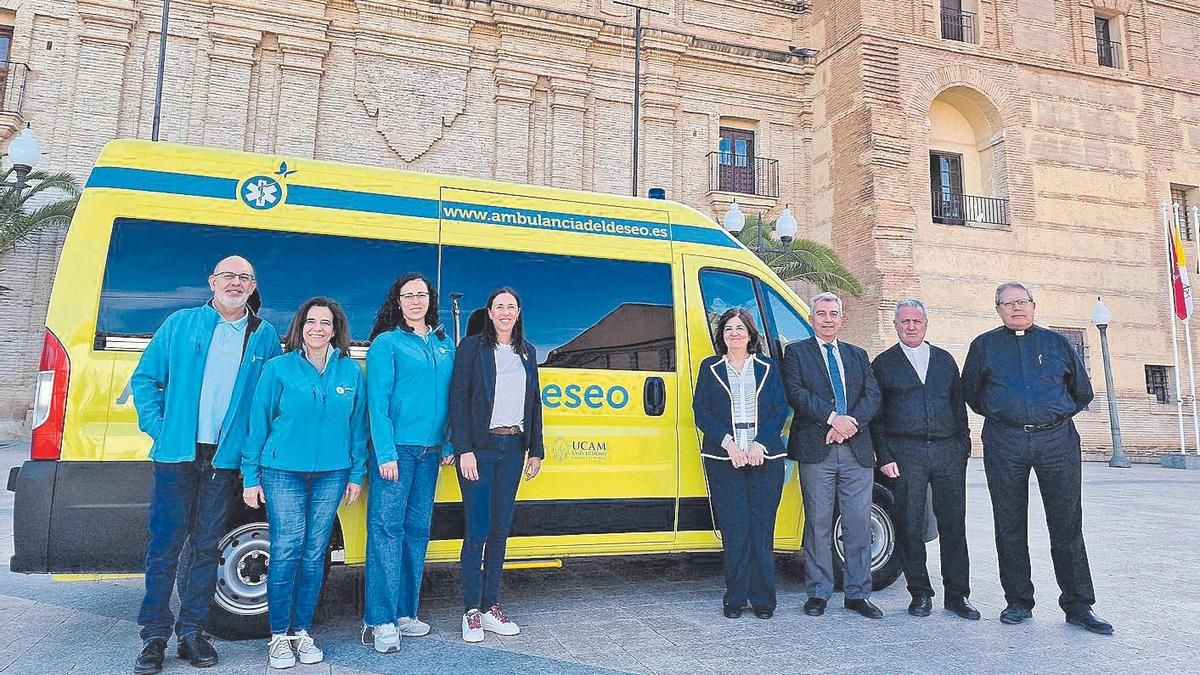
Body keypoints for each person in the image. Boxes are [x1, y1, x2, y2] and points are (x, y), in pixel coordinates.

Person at [130, 256, 281, 674]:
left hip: (224, 459)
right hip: (176, 454)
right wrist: (160, 429)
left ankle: (192, 633)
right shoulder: (181, 323)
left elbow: (265, 401)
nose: (236, 283)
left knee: (205, 547)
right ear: (212, 281)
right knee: (164, 547)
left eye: (245, 278)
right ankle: (154, 635)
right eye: (228, 276)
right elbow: (144, 379)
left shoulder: (263, 334)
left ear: (253, 287)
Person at [962, 282, 1112, 635]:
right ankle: (1018, 600)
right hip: (1005, 440)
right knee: (1009, 523)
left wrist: (1051, 416)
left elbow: (1082, 391)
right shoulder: (984, 346)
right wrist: (1006, 414)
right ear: (997, 309)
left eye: (1022, 301)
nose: (1016, 308)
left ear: (1034, 305)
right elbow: (971, 393)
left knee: (1066, 522)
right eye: (1007, 303)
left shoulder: (1057, 343)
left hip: (1057, 440)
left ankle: (1078, 604)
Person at [241, 297, 368, 668]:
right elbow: (258, 424)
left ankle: (302, 631)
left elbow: (358, 428)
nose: (318, 328)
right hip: (283, 471)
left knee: (315, 553)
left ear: (335, 329)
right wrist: (252, 476)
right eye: (311, 321)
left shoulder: (350, 372)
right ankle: (278, 636)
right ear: (300, 327)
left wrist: (356, 473)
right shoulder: (278, 369)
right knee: (287, 549)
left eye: (325, 323)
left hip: (332, 473)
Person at [361, 273, 456, 653]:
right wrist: (384, 453)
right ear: (397, 302)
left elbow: (453, 398)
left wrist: (449, 441)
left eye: (421, 294)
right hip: (397, 451)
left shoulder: (442, 344)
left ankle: (405, 613)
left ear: (429, 300)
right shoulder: (387, 343)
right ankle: (379, 619)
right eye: (407, 295)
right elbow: (377, 403)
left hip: (431, 452)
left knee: (417, 530)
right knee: (386, 531)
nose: (415, 301)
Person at [870, 299, 978, 620]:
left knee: (953, 524)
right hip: (905, 455)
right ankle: (920, 593)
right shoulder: (884, 363)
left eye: (917, 321)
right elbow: (876, 417)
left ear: (926, 324)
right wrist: (885, 456)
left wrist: (963, 449)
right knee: (910, 524)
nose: (911, 326)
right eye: (905, 322)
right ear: (896, 326)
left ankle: (958, 595)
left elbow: (959, 408)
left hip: (947, 452)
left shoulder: (944, 361)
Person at [449, 287, 544, 643]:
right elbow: (458, 399)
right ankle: (471, 611)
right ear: (489, 313)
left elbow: (533, 402)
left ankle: (492, 606)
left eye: (511, 307)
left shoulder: (526, 352)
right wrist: (464, 449)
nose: (505, 312)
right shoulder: (472, 347)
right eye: (498, 306)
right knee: (477, 530)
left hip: (513, 447)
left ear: (518, 313)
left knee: (501, 531)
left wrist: (535, 449)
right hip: (480, 449)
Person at [781, 292, 882, 619]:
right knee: (819, 525)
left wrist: (849, 425)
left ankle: (858, 594)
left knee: (857, 523)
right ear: (812, 319)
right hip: (816, 449)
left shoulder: (857, 355)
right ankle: (819, 593)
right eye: (821, 313)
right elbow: (796, 392)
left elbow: (872, 395)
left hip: (856, 450)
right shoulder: (796, 353)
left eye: (833, 313)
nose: (827, 319)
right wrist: (831, 418)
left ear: (842, 319)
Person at [692, 309, 789, 620]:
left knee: (761, 530)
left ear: (750, 334)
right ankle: (734, 598)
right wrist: (730, 445)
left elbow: (779, 409)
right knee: (735, 530)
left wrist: (760, 443)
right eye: (729, 328)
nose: (734, 333)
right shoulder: (710, 368)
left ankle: (763, 600)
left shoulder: (767, 367)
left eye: (740, 328)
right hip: (725, 458)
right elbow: (701, 411)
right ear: (722, 335)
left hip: (765, 457)